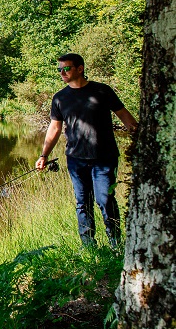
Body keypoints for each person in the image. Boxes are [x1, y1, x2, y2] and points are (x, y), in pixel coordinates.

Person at [35, 53, 137, 248]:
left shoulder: (102, 91)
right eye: (59, 69)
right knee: (83, 203)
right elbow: (54, 128)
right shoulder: (60, 98)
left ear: (80, 69)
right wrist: (44, 155)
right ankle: (89, 246)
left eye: (66, 68)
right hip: (75, 159)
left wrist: (142, 137)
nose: (62, 73)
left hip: (104, 157)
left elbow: (124, 116)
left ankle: (116, 243)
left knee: (105, 199)